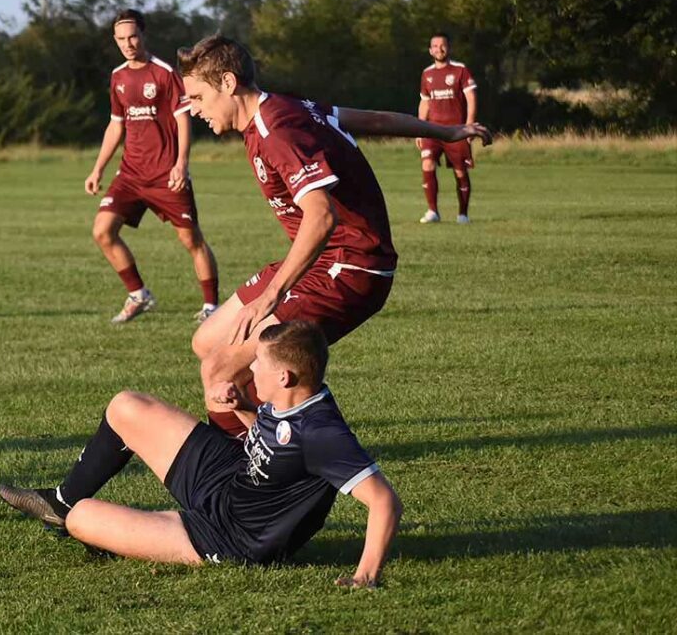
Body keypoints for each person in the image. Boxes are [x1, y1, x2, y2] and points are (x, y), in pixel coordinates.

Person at [178, 35, 492, 437]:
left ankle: (249, 470)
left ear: (226, 82)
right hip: (324, 261)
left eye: (198, 97)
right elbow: (376, 121)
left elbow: (321, 216)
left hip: (352, 268)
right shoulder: (288, 106)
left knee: (221, 370)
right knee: (208, 343)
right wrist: (445, 132)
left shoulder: (278, 129)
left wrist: (271, 297)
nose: (194, 109)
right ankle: (273, 440)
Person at [0, 320, 402, 586]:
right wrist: (242, 407)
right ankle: (60, 501)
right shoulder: (293, 398)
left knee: (84, 519)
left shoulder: (323, 432)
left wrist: (365, 576)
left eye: (259, 363)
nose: (252, 369)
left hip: (231, 536)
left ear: (284, 375)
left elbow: (384, 501)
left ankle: (102, 526)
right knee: (127, 406)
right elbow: (279, 450)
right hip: (230, 478)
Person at [84, 9, 220, 324]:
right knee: (102, 231)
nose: (128, 44)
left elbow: (183, 118)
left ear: (143, 35)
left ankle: (211, 306)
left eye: (133, 36)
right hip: (130, 174)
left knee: (191, 240)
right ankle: (139, 294)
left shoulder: (164, 73)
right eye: (121, 39)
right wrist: (97, 169)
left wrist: (181, 164)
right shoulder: (118, 76)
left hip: (165, 174)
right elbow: (116, 125)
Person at [416, 32, 479, 224]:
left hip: (456, 130)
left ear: (448, 48)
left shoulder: (460, 70)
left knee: (460, 171)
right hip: (432, 129)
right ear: (430, 50)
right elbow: (424, 102)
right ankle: (432, 211)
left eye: (442, 45)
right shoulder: (427, 74)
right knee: (427, 163)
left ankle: (463, 214)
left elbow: (471, 98)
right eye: (435, 46)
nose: (439, 49)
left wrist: (469, 125)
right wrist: (419, 127)